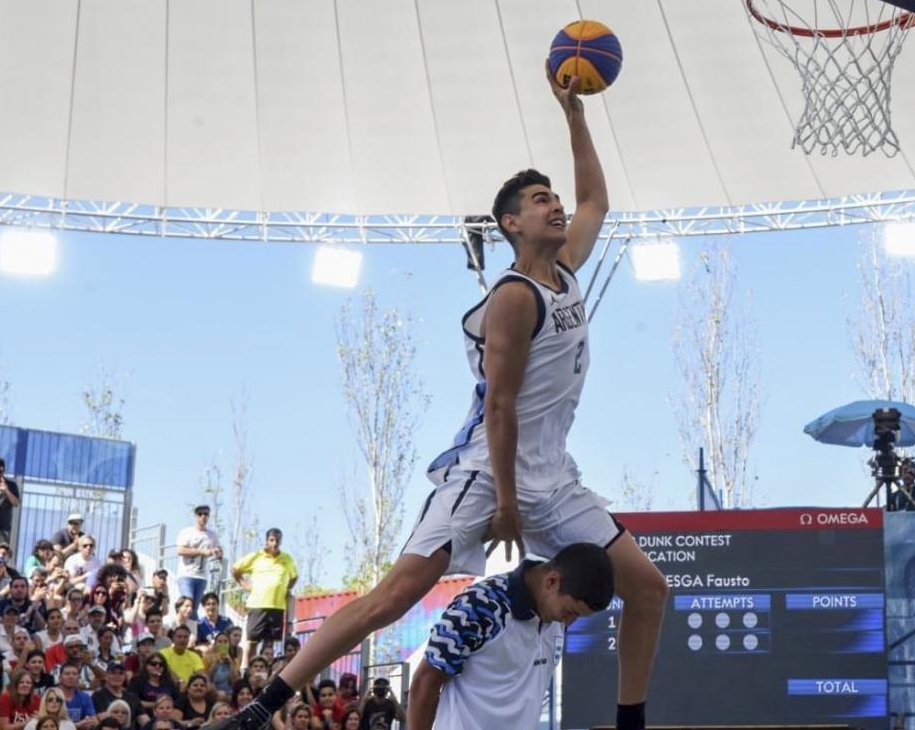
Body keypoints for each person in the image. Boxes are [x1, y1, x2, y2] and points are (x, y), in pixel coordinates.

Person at [213, 70, 667, 730]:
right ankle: (265, 702)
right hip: (489, 470)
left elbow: (596, 196)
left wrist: (575, 117)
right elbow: (500, 409)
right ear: (511, 223)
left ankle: (631, 720)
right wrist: (507, 504)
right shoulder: (515, 296)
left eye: (553, 198)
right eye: (541, 200)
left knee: (650, 589)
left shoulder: (566, 267)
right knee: (395, 595)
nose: (556, 205)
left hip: (553, 474)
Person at [408, 543, 613, 730]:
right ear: (551, 581)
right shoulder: (480, 605)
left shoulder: (556, 615)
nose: (569, 622)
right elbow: (426, 680)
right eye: (570, 611)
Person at [229, 530, 296, 663]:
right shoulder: (256, 556)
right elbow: (235, 569)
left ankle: (264, 672)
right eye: (271, 540)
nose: (274, 543)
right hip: (257, 605)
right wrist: (244, 583)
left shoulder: (286, 558)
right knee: (252, 641)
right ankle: (248, 672)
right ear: (266, 541)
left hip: (277, 606)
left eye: (277, 540)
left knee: (269, 643)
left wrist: (286, 588)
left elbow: (294, 576)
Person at [175, 508, 221, 612]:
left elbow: (219, 550)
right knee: (187, 604)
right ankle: (182, 627)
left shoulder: (212, 535)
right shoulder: (187, 532)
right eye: (200, 514)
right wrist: (202, 552)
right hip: (186, 575)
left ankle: (191, 627)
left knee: (194, 608)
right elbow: (180, 550)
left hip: (202, 576)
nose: (203, 516)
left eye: (206, 514)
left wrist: (217, 552)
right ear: (196, 516)